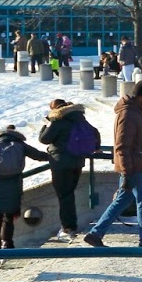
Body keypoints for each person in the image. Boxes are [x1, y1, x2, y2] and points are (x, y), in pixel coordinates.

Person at [83, 80, 142, 249]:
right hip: (133, 167)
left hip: (134, 165)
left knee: (123, 201)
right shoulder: (128, 114)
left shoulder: (135, 112)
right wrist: (126, 172)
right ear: (141, 96)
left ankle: (95, 234)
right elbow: (122, 146)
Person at [37, 97, 97, 235]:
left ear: (55, 109)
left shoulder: (58, 121)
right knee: (69, 194)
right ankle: (70, 225)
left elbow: (44, 139)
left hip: (61, 164)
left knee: (64, 196)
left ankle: (68, 228)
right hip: (78, 162)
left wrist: (46, 123)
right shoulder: (79, 118)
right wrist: (96, 147)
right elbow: (95, 133)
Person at [0, 124, 47, 250]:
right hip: (13, 184)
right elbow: (38, 155)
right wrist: (54, 156)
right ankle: (7, 243)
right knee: (8, 217)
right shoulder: (19, 144)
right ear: (14, 133)